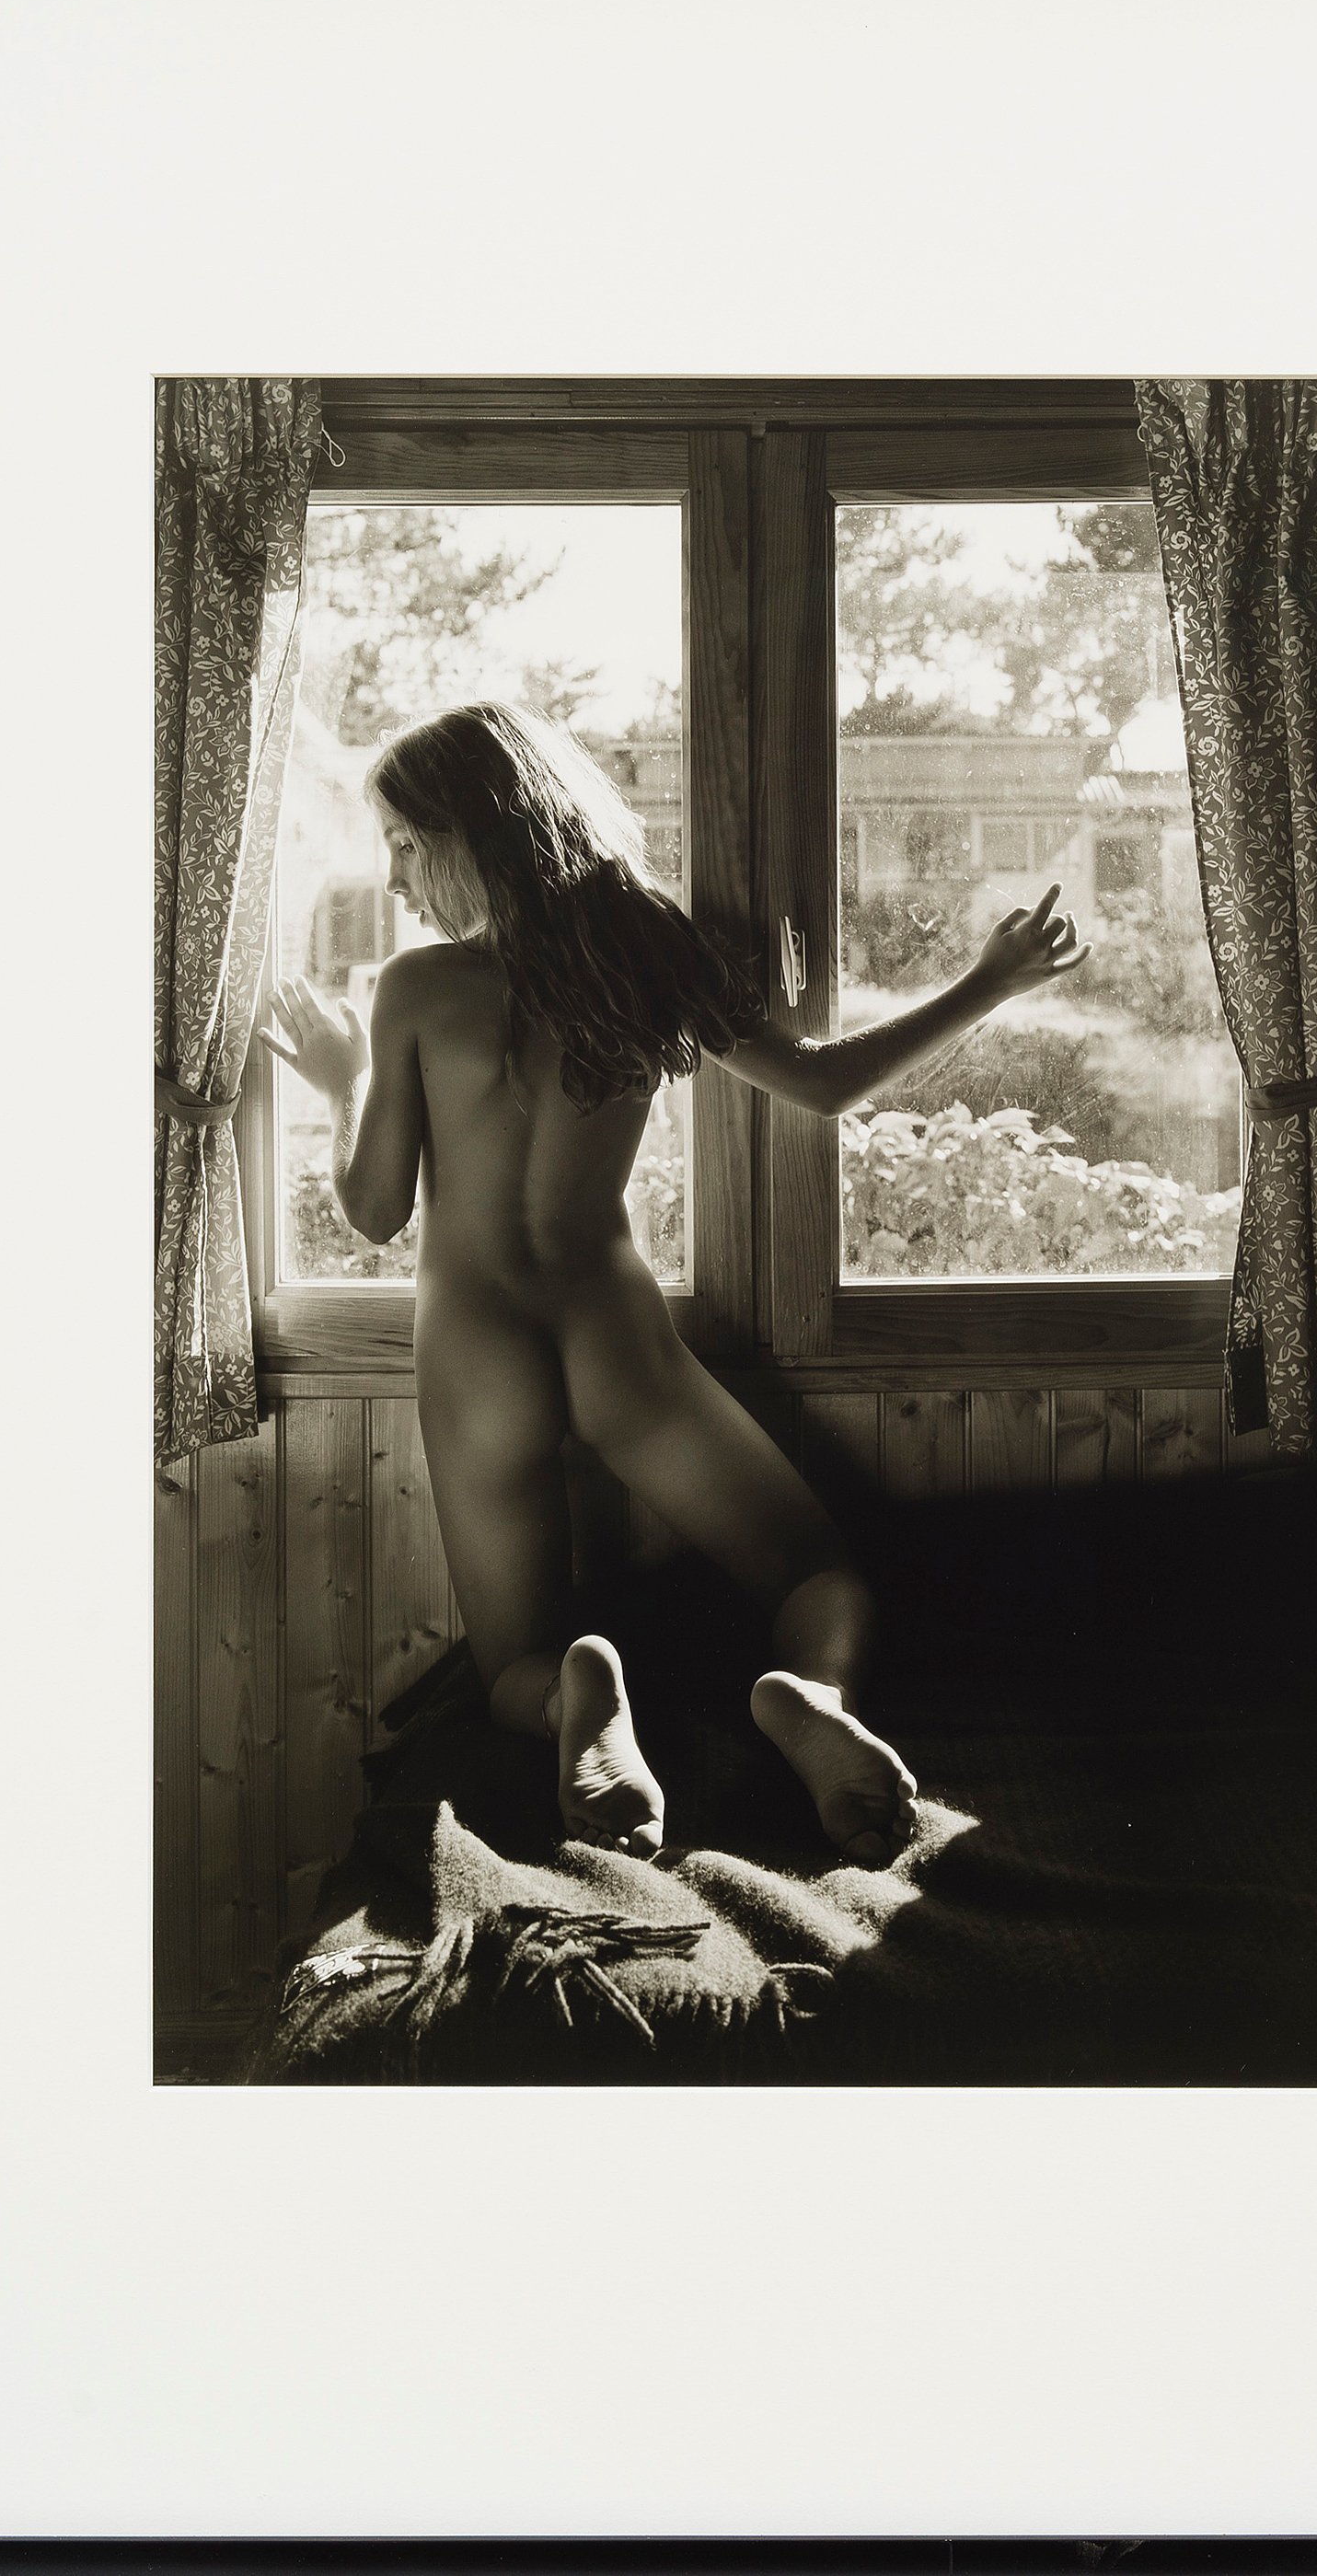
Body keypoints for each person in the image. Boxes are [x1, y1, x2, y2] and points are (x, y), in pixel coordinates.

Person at [261, 701, 1090, 1866]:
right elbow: (825, 1084)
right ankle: (814, 1696)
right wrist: (988, 982)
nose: (393, 879)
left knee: (508, 1664)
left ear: (469, 835)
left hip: (477, 1348)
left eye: (405, 845)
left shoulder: (416, 990)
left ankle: (577, 1692)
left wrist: (343, 1077)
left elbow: (375, 1210)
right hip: (612, 1334)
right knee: (816, 1576)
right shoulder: (645, 949)